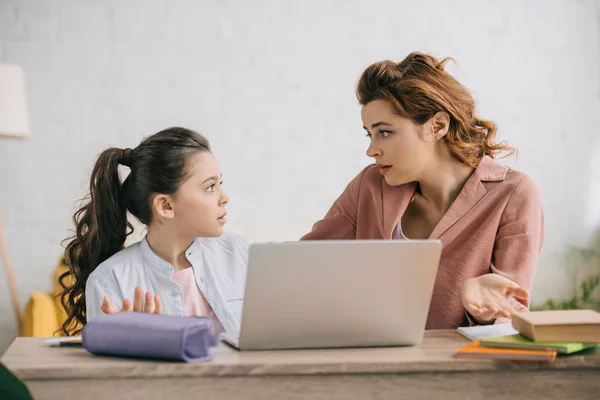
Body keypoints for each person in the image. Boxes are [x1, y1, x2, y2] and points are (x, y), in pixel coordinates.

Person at [302, 52, 544, 328]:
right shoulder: (369, 186)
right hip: (369, 360)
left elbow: (509, 321)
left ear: (437, 126)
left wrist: (483, 310)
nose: (371, 150)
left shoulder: (514, 194)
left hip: (457, 367)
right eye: (369, 134)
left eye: (385, 132)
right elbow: (305, 263)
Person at [59, 127, 247, 336]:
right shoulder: (110, 280)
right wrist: (138, 343)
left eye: (220, 183)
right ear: (165, 206)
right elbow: (108, 368)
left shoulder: (239, 253)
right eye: (210, 187)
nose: (224, 197)